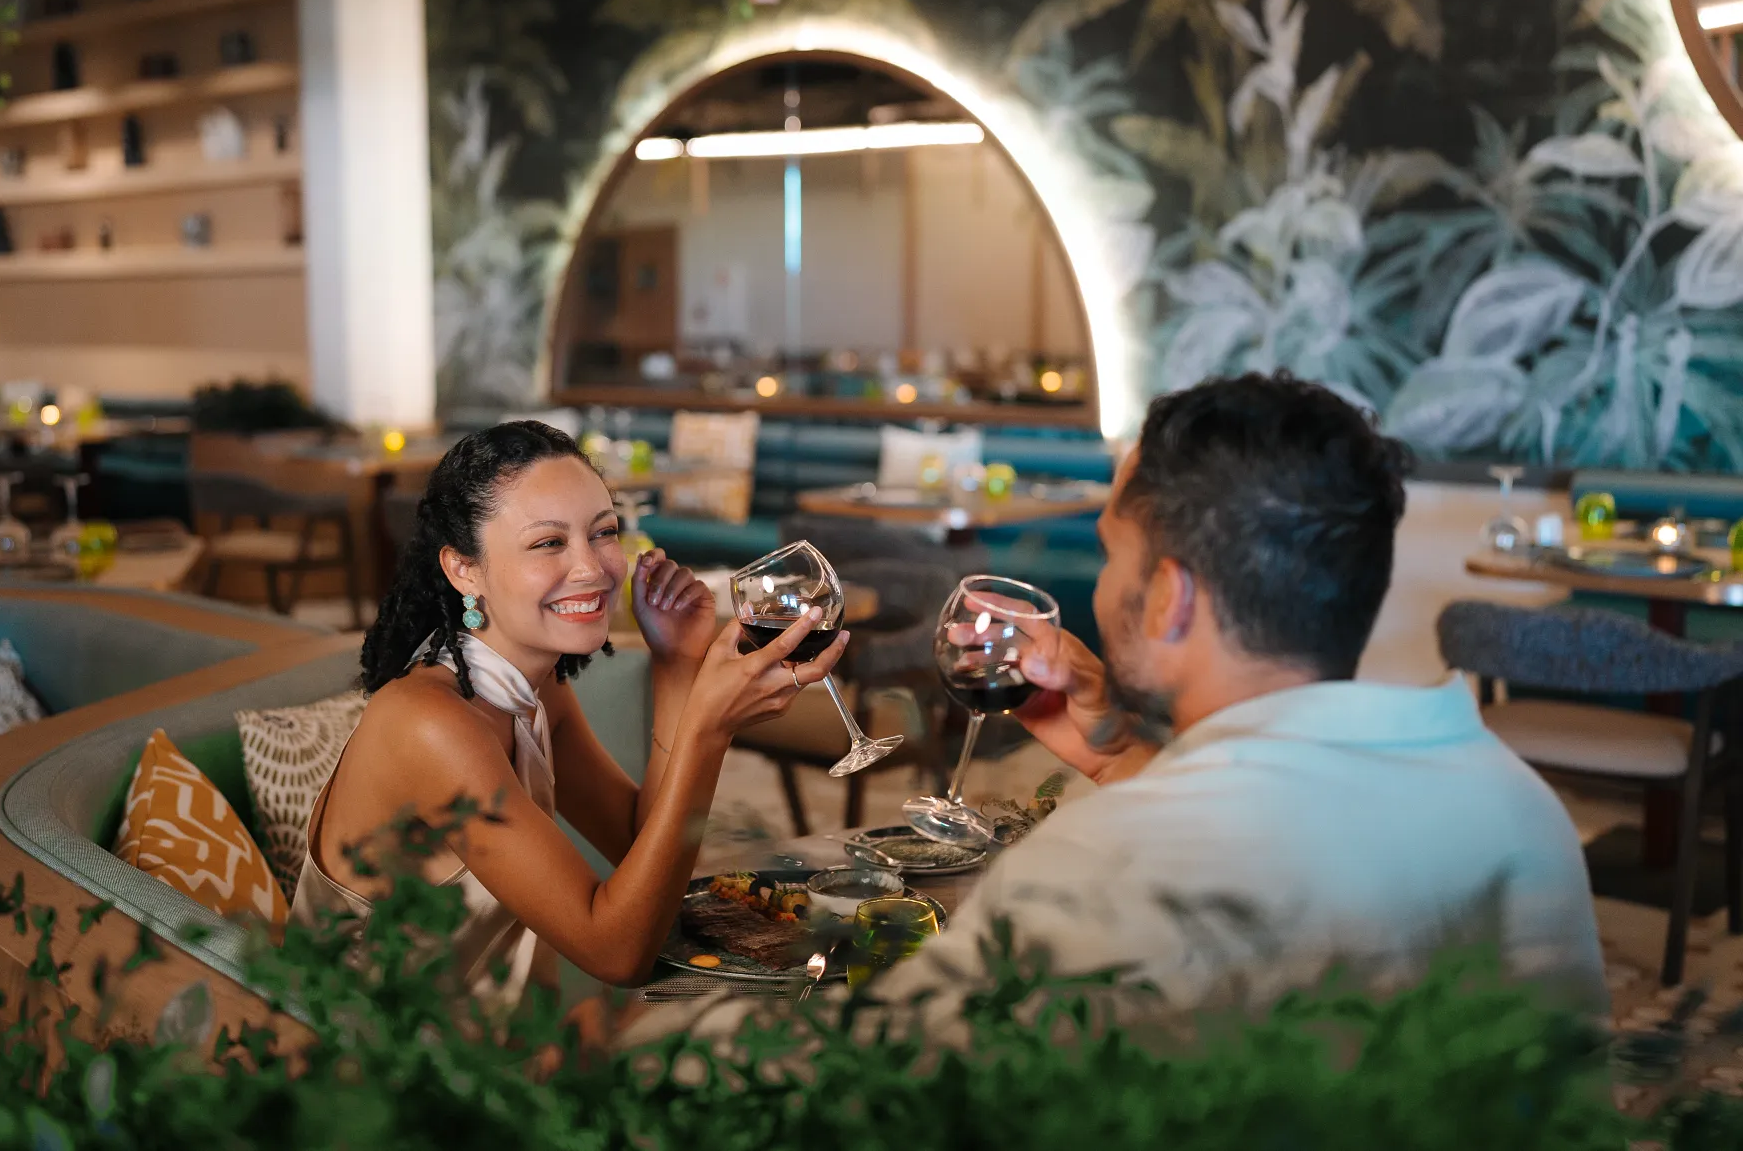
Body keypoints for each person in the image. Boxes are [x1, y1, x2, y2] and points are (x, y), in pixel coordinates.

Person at [635, 373, 1607, 1044]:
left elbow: (878, 1079)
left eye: (1111, 552)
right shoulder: (1517, 804)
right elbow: (1286, 812)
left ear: (1171, 595)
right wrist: (1115, 752)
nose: (1101, 588)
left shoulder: (1100, 867)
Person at [293, 420, 849, 998]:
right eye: (548, 543)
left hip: (488, 1036)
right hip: (368, 1045)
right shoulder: (429, 724)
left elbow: (637, 844)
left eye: (603, 533)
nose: (592, 568)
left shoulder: (532, 688)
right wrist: (709, 730)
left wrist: (677, 665)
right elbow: (616, 954)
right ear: (464, 569)